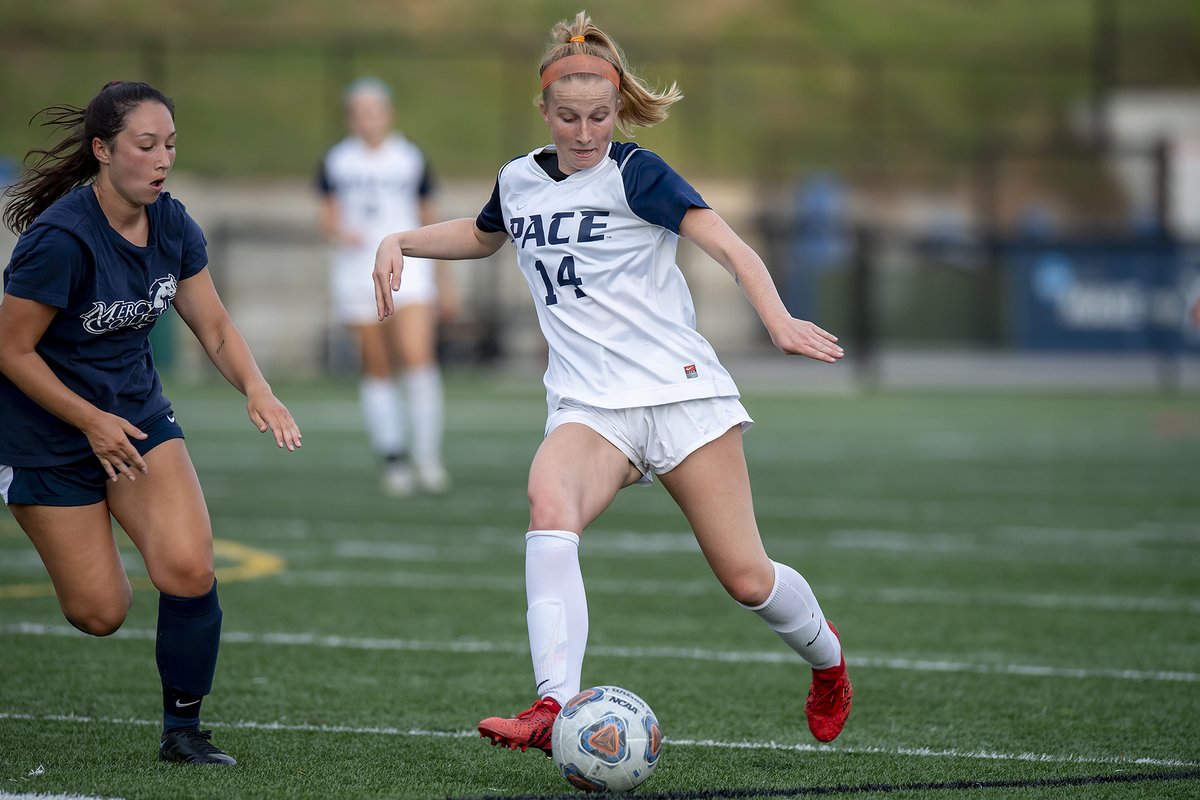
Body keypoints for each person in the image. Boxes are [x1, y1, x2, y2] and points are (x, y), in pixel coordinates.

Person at [372, 11, 853, 753]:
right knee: (547, 500)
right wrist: (400, 238)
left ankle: (828, 663)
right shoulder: (519, 180)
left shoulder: (639, 173)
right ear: (544, 111)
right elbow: (481, 233)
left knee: (747, 579)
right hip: (590, 406)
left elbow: (730, 247)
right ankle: (553, 706)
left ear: (618, 106)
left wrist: (779, 320)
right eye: (569, 117)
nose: (586, 131)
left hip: (679, 395)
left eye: (600, 115)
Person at [0, 81, 303, 766]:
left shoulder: (172, 223)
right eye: (145, 145)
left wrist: (258, 389)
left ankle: (183, 731)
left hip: (135, 421)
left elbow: (215, 326)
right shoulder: (60, 240)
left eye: (169, 144)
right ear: (103, 150)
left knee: (190, 568)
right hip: (48, 433)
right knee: (99, 613)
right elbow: (9, 351)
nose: (161, 158)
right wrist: (87, 421)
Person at [318, 77, 454, 496]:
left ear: (387, 113)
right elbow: (327, 216)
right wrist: (343, 233)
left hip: (409, 270)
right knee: (375, 365)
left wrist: (445, 281)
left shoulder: (409, 158)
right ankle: (393, 457)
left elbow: (431, 218)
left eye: (374, 110)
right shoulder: (337, 161)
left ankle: (428, 457)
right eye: (359, 112)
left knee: (417, 357)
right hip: (356, 273)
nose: (367, 119)